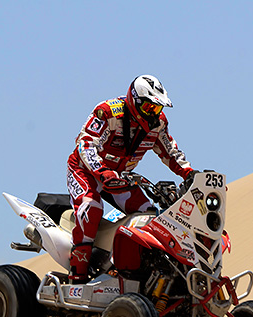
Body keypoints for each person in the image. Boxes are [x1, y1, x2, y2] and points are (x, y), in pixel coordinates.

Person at [66, 75, 196, 282]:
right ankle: (77, 275)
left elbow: (170, 152)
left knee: (150, 216)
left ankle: (134, 273)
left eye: (157, 108)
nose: (153, 113)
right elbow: (86, 144)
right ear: (134, 100)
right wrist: (102, 172)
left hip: (121, 178)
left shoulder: (158, 123)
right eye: (149, 107)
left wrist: (189, 173)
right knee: (91, 209)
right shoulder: (108, 112)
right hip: (85, 171)